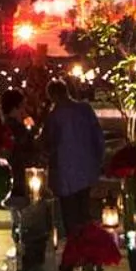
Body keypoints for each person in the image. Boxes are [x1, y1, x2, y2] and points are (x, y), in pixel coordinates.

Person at [43, 79, 106, 239]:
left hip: (65, 175)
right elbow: (98, 137)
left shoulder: (54, 116)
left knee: (70, 216)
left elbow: (48, 143)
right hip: (86, 170)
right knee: (84, 211)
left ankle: (76, 247)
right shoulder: (84, 109)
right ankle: (87, 247)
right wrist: (98, 161)